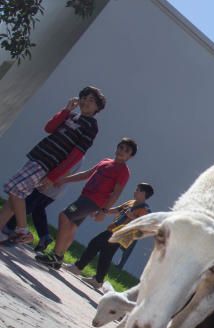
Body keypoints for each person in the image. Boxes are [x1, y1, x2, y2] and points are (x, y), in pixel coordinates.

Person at [0, 86, 104, 245]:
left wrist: (54, 176)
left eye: (91, 100)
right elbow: (49, 128)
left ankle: (23, 231)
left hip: (47, 164)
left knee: (16, 190)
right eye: (83, 97)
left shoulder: (91, 126)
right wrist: (66, 110)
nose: (85, 102)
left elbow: (76, 155)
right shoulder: (71, 116)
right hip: (38, 155)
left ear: (97, 107)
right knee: (13, 200)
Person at [35, 138, 135, 270]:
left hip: (92, 202)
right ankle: (58, 257)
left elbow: (116, 194)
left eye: (126, 150)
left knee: (64, 216)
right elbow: (86, 174)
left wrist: (103, 212)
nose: (122, 151)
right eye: (121, 147)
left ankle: (55, 255)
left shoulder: (123, 172)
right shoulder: (105, 161)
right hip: (85, 197)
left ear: (130, 156)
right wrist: (64, 180)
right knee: (71, 225)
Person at [66, 182, 153, 288]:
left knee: (95, 243)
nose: (135, 191)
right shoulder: (131, 202)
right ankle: (98, 280)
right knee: (105, 255)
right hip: (114, 230)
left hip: (121, 234)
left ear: (144, 193)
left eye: (138, 190)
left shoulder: (145, 209)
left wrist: (133, 218)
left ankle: (78, 267)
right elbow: (117, 210)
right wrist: (102, 210)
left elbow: (144, 225)